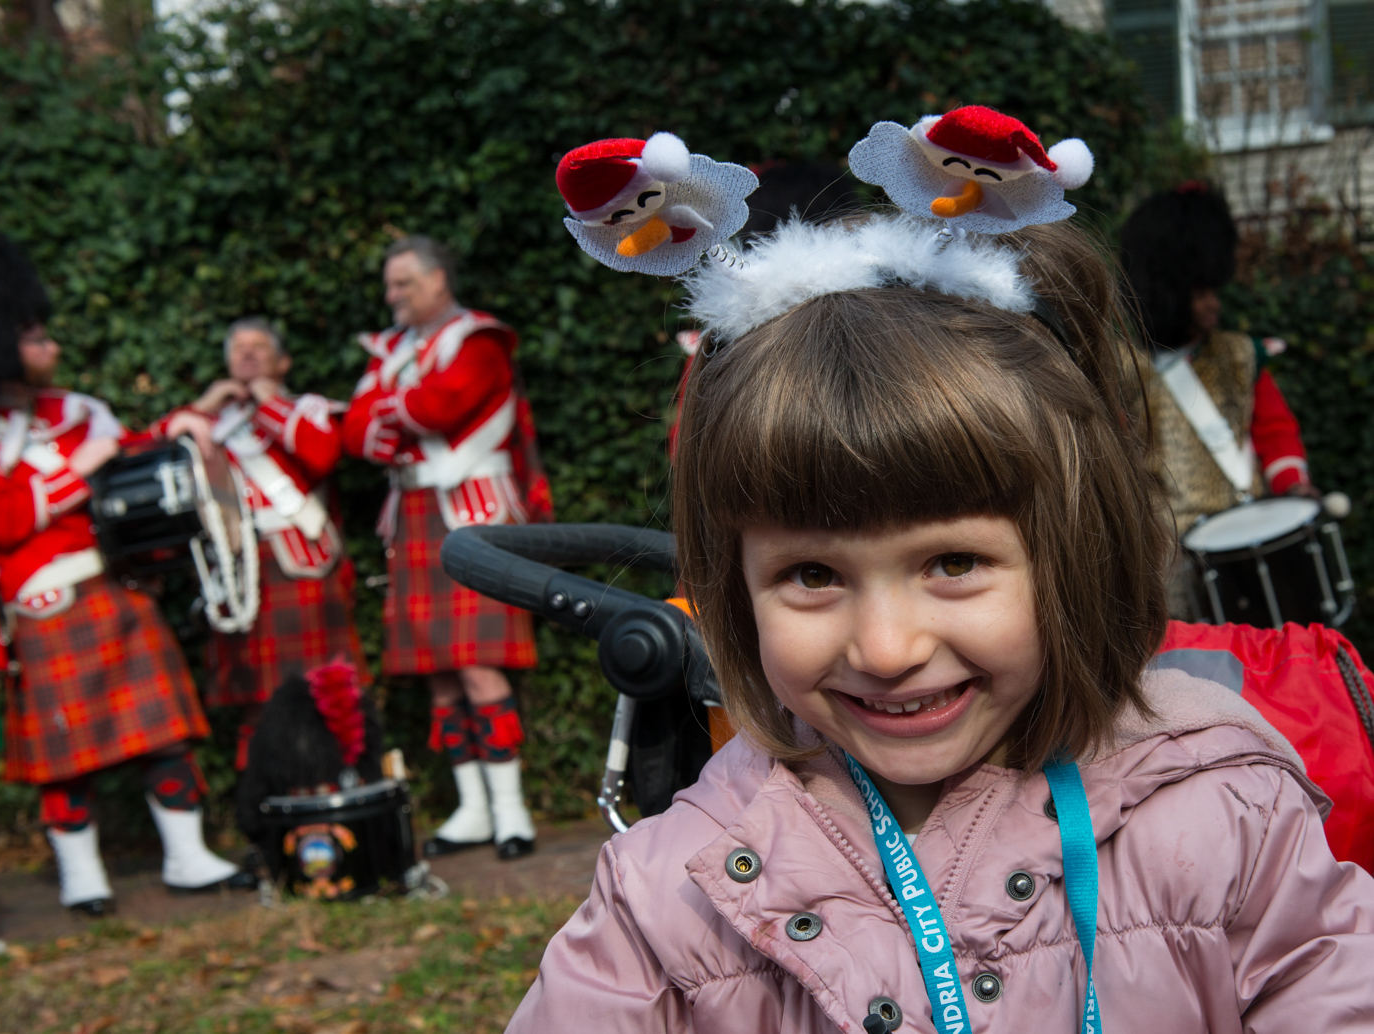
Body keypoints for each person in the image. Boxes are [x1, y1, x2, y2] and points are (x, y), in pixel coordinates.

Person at [508, 115, 1374, 1031]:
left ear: (1071, 548)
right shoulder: (665, 902)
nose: (887, 649)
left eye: (953, 562)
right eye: (810, 574)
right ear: (734, 586)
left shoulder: (1225, 815)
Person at [0, 220, 252, 916]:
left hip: (115, 589)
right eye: (35, 336)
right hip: (44, 607)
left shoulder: (78, 412)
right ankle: (81, 877)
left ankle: (188, 859)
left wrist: (184, 421)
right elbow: (5, 519)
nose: (52, 346)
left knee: (164, 735)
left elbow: (130, 464)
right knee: (67, 761)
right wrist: (82, 466)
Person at [344, 236, 552, 862]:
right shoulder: (395, 351)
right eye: (390, 284)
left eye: (404, 282)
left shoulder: (478, 339)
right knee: (438, 673)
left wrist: (387, 413)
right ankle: (472, 810)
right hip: (412, 516)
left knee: (479, 666)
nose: (393, 296)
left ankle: (512, 813)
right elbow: (352, 431)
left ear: (438, 281)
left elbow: (445, 403)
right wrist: (389, 416)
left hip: (471, 513)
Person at [156, 318, 369, 771]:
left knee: (326, 689)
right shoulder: (209, 424)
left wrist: (269, 403)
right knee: (258, 702)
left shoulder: (307, 408)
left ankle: (339, 787)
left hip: (301, 566)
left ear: (284, 360)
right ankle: (268, 805)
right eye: (238, 348)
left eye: (259, 347)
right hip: (238, 577)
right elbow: (152, 464)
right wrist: (204, 406)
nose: (247, 354)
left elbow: (321, 454)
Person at [1120, 184, 1316, 533]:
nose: (1215, 304)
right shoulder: (1124, 369)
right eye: (1200, 294)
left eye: (1213, 290)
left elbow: (1275, 429)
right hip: (1171, 543)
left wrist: (1292, 482)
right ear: (1170, 294)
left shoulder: (1240, 354)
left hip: (1251, 523)